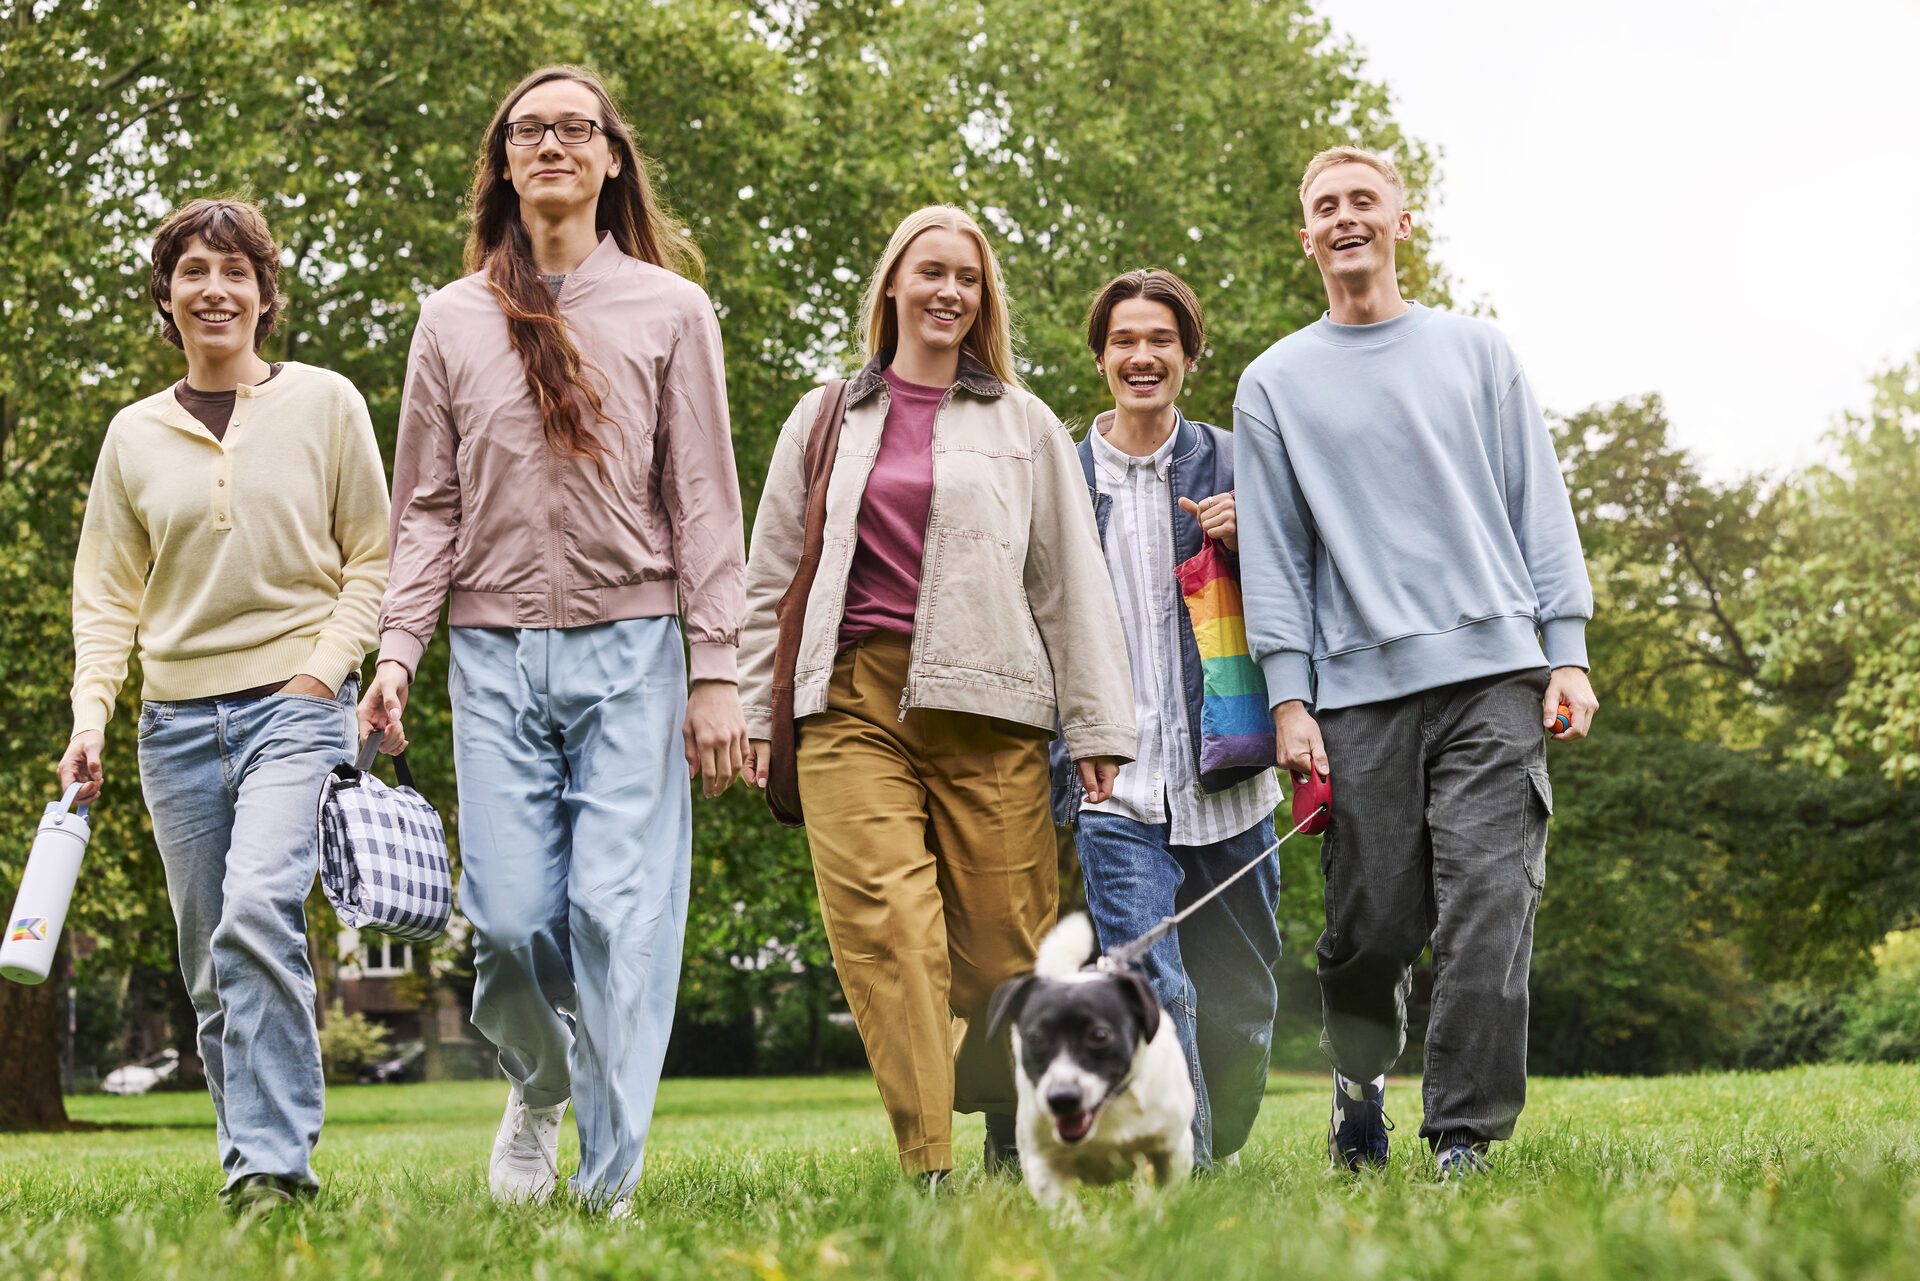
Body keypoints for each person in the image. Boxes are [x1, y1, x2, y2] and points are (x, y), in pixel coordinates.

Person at [359, 65, 748, 1216]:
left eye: (576, 128)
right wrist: (396, 652)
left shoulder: (673, 310)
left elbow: (704, 500)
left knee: (618, 920)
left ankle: (608, 1187)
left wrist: (718, 671)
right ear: (505, 162)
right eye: (528, 130)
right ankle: (539, 1082)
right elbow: (426, 506)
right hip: (491, 654)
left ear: (611, 158)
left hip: (634, 650)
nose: (552, 145)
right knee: (512, 921)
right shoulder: (451, 318)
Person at [738, 205, 1135, 1186]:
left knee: (1004, 958)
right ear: (892, 285)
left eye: (967, 277)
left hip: (990, 708)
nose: (948, 291)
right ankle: (929, 1166)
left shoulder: (1024, 424)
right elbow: (770, 574)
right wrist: (754, 713)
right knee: (889, 934)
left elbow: (1070, 581)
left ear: (983, 299)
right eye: (931, 272)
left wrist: (1096, 722)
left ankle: (1004, 1116)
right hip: (849, 704)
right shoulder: (825, 416)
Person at [1234, 146, 1599, 1181]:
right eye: (1326, 206)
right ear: (1306, 237)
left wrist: (1566, 655)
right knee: (1370, 930)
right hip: (1357, 695)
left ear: (1402, 221)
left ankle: (1463, 1139)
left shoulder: (1478, 351)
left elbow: (1538, 504)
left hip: (1495, 679)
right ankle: (1360, 1082)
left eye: (1365, 200)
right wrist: (1290, 698)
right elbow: (1276, 554)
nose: (1345, 216)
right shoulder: (1274, 383)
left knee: (1491, 905)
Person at [61, 197, 391, 1211]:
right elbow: (106, 595)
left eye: (235, 271)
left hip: (296, 709)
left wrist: (321, 673)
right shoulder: (133, 435)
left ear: (264, 293)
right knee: (212, 966)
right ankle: (249, 1156)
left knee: (255, 912)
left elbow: (372, 558)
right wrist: (90, 717)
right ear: (166, 296)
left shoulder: (327, 402)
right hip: (174, 728)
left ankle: (273, 1173)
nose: (215, 289)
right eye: (194, 271)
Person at [1054, 268, 1284, 1171]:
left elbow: (1313, 586)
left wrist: (1258, 537)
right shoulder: (1062, 475)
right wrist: (1063, 750)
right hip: (1112, 781)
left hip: (1230, 772)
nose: (1141, 356)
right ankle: (1189, 1173)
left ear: (1190, 355)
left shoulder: (1238, 462)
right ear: (1101, 357)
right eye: (1124, 341)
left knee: (1242, 1004)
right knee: (1155, 988)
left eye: (1161, 340)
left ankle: (1219, 1146)